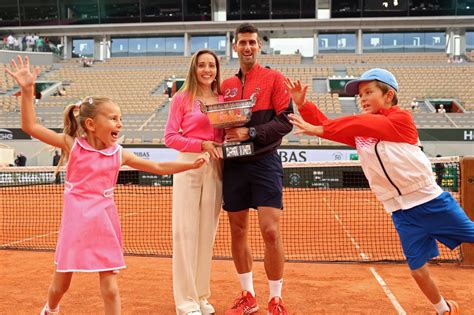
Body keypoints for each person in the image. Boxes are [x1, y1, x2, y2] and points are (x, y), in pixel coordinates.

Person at [5, 55, 210, 315]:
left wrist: (189, 165)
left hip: (105, 224)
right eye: (113, 118)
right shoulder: (72, 145)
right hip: (75, 224)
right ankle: (51, 309)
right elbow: (30, 126)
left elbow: (158, 167)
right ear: (91, 124)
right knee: (61, 284)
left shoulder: (119, 153)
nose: (119, 124)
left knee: (111, 287)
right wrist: (26, 91)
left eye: (120, 118)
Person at [285, 68, 474, 315]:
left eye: (368, 92)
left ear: (388, 95)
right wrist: (304, 104)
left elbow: (356, 123)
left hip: (432, 203)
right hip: (401, 212)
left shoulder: (401, 119)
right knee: (417, 268)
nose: (361, 99)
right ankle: (444, 309)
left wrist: (321, 130)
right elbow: (330, 126)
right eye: (359, 95)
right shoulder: (363, 133)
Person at [220, 23, 293, 315]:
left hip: (265, 162)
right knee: (237, 230)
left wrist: (249, 133)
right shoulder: (225, 86)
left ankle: (276, 298)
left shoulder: (274, 79)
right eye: (242, 43)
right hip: (233, 165)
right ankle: (247, 296)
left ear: (259, 45)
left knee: (270, 231)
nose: (247, 47)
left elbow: (286, 121)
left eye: (252, 42)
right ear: (235, 47)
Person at [164, 49, 224, 315]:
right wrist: (200, 144)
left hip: (216, 166)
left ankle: (201, 296)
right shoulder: (181, 98)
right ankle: (186, 302)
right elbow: (170, 137)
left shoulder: (223, 99)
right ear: (194, 68)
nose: (207, 70)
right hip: (187, 164)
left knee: (206, 235)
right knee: (185, 233)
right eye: (202, 65)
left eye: (211, 65)